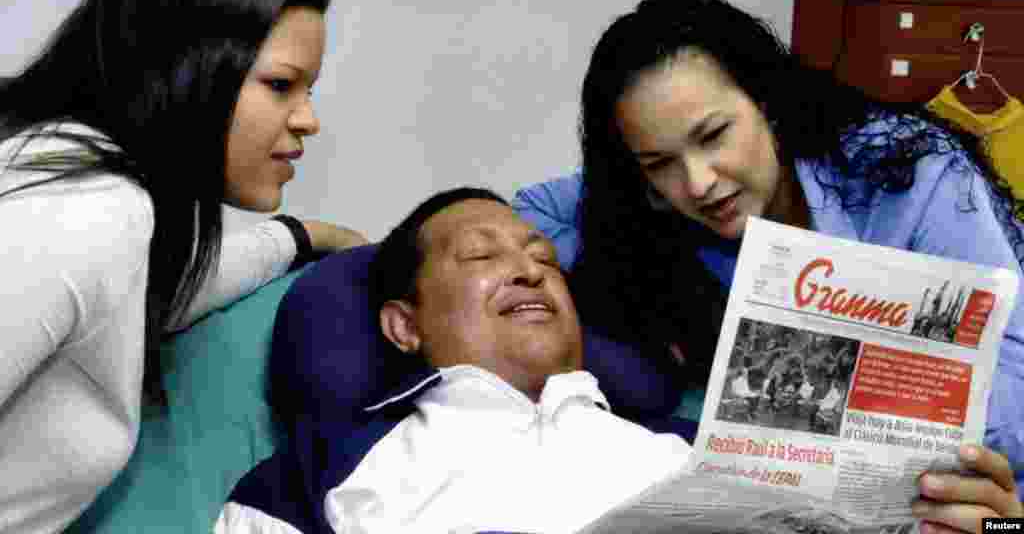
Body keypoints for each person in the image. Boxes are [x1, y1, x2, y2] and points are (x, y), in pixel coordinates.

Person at [216, 187, 1022, 534]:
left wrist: (994, 525)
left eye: (541, 256)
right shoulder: (320, 470)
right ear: (402, 326)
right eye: (480, 256)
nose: (531, 268)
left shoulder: (690, 455)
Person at [512, 0, 1024, 494]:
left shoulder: (911, 176)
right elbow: (530, 215)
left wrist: (837, 381)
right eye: (660, 164)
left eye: (713, 136)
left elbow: (1018, 395)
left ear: (768, 106)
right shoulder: (653, 200)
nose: (696, 183)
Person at [0, 0, 367, 533]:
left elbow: (157, 293)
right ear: (182, 69)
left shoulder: (81, 187)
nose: (308, 119)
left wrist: (299, 237)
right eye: (281, 85)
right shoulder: (87, 210)